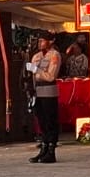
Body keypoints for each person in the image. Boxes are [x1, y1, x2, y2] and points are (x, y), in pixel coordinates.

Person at [27, 32, 62, 163]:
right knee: (41, 121)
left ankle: (51, 151)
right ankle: (43, 148)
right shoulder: (36, 56)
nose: (40, 43)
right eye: (39, 40)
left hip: (49, 92)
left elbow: (51, 76)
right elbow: (30, 76)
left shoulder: (54, 55)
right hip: (37, 92)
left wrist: (36, 70)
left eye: (43, 40)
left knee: (50, 121)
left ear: (50, 41)